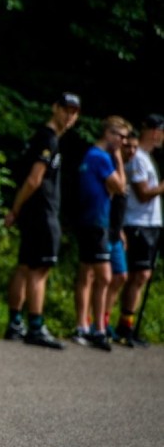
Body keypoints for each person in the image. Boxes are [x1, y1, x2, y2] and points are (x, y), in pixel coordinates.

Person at [3, 92, 80, 349]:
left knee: (25, 266)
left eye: (74, 112)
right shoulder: (48, 139)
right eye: (65, 109)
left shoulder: (42, 137)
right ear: (54, 108)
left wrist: (18, 210)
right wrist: (16, 208)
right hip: (42, 213)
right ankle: (35, 326)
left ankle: (15, 323)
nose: (69, 116)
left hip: (32, 213)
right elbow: (35, 179)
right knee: (40, 269)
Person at [71, 116, 129, 351]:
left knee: (87, 273)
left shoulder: (90, 155)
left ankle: (82, 326)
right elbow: (120, 187)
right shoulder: (102, 157)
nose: (123, 142)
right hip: (96, 222)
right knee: (104, 276)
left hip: (90, 220)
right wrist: (118, 161)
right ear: (108, 134)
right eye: (120, 136)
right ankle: (98, 329)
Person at [114, 113, 164, 347]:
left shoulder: (147, 158)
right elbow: (143, 193)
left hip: (150, 224)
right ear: (155, 131)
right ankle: (123, 325)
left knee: (141, 275)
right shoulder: (138, 158)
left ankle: (127, 324)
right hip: (137, 222)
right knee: (136, 274)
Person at [103, 130, 138, 339]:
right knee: (100, 278)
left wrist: (121, 230)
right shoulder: (111, 166)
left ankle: (104, 319)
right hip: (104, 230)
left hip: (117, 231)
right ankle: (93, 322)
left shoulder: (123, 169)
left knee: (120, 276)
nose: (131, 150)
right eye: (127, 146)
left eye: (134, 147)